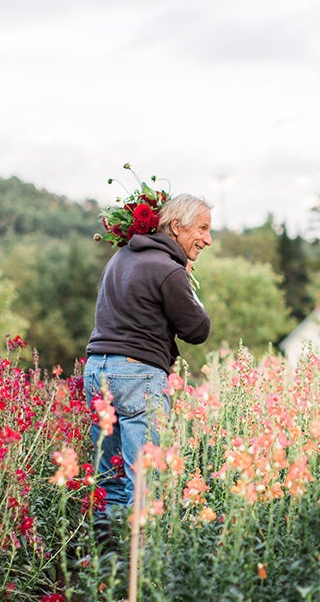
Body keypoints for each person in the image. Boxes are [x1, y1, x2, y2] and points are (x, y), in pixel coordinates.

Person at [84, 193, 213, 526]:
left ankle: (110, 564)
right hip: (136, 374)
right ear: (175, 227)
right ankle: (138, 568)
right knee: (144, 483)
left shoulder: (119, 259)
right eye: (201, 229)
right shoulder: (169, 270)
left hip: (97, 370)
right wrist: (187, 275)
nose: (207, 240)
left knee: (110, 480)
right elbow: (197, 329)